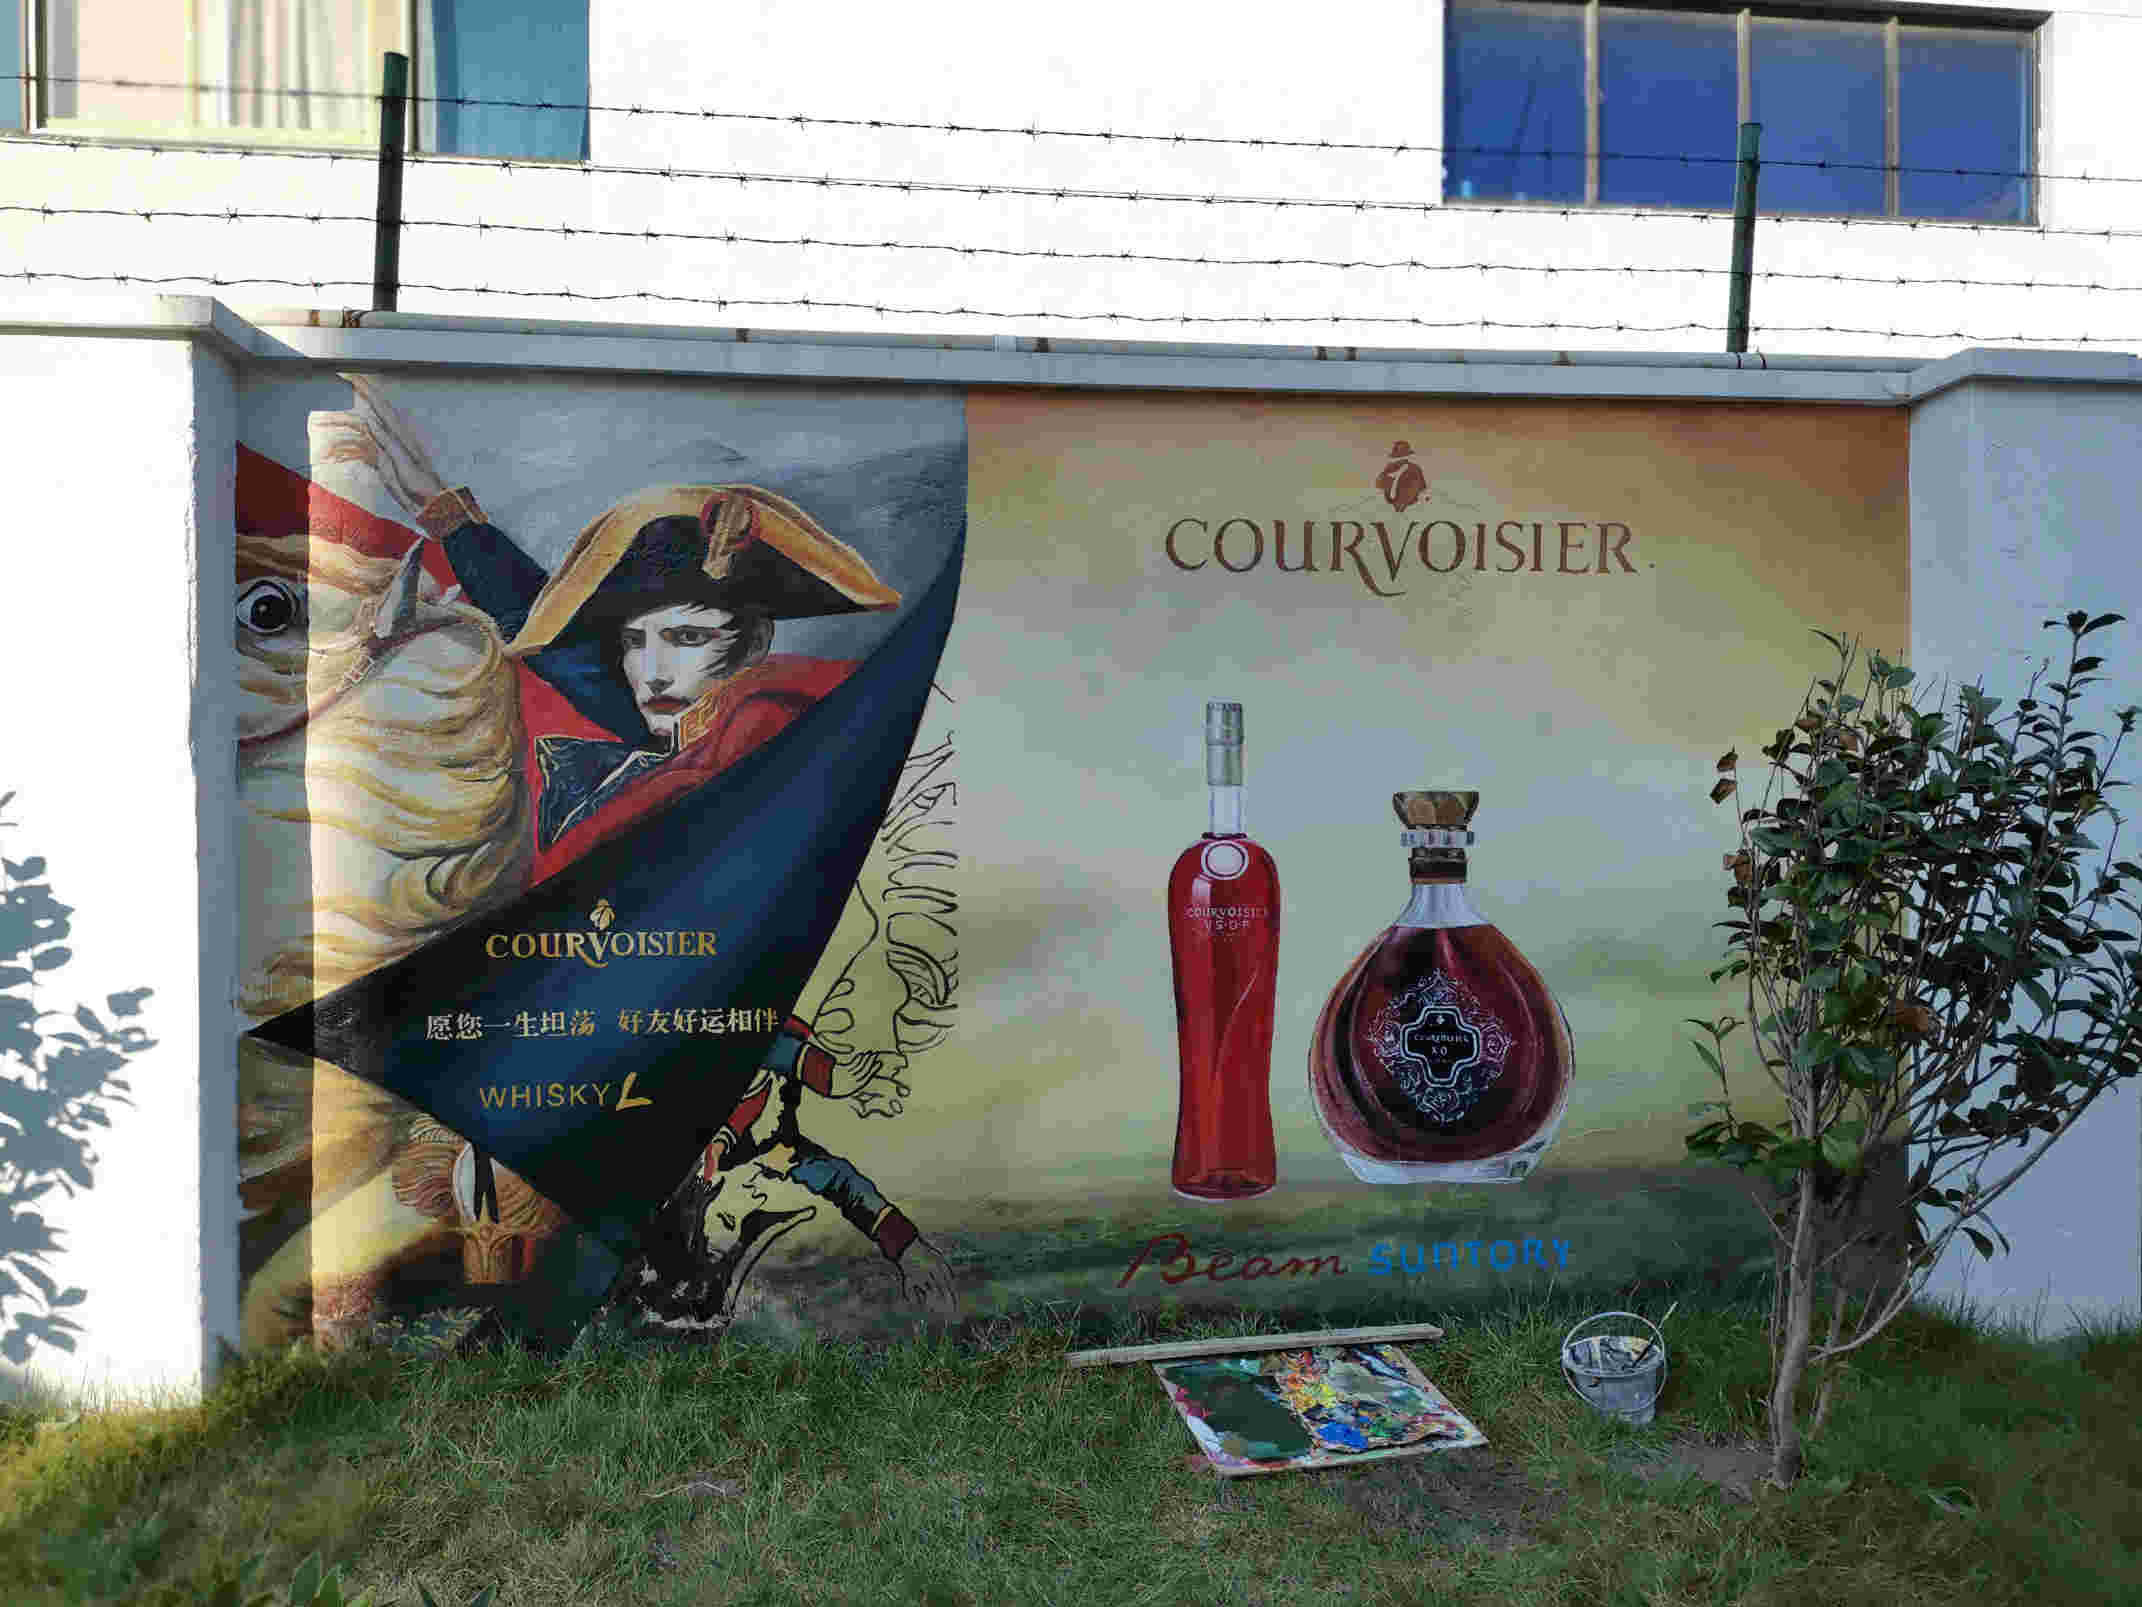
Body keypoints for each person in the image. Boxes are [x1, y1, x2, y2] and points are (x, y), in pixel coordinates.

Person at [314, 377, 958, 1324]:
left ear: (748, 645)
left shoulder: (764, 734)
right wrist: (445, 513)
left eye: (688, 639)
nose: (653, 669)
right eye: (638, 642)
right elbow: (561, 644)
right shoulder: (670, 725)